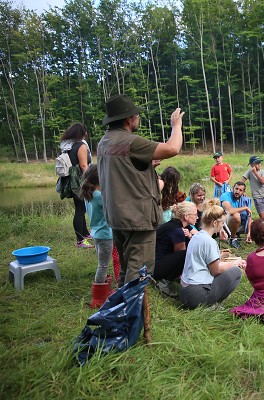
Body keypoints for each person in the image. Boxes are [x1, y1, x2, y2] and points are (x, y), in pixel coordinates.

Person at [97, 94, 184, 286]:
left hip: (117, 216)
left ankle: (121, 311)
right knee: (139, 273)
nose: (138, 118)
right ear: (129, 119)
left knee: (127, 269)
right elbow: (172, 148)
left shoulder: (104, 142)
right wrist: (176, 125)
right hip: (137, 219)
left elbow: (122, 173)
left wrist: (147, 165)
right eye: (136, 115)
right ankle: (129, 315)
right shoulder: (131, 141)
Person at [179, 201, 244, 309]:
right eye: (222, 223)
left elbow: (209, 263)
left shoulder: (196, 236)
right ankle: (211, 304)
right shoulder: (209, 242)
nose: (223, 225)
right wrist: (234, 263)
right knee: (236, 272)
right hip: (195, 295)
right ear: (214, 223)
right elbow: (216, 270)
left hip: (184, 291)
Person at [79, 164, 113, 308]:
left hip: (95, 233)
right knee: (103, 265)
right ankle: (98, 298)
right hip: (105, 234)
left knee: (102, 264)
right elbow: (111, 211)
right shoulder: (99, 195)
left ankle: (104, 291)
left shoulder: (89, 193)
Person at [153, 201, 199, 298]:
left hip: (154, 263)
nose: (197, 217)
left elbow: (199, 237)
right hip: (155, 269)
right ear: (186, 216)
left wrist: (191, 236)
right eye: (195, 214)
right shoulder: (177, 231)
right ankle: (164, 283)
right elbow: (180, 255)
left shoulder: (178, 225)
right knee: (186, 254)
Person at [60, 122, 93, 248]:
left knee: (81, 208)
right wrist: (90, 180)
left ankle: (85, 233)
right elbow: (84, 165)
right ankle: (80, 241)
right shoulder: (81, 146)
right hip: (79, 179)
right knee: (80, 210)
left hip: (71, 179)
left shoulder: (68, 146)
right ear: (82, 133)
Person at [220, 181, 253, 248]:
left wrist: (249, 232)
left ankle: (249, 237)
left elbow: (249, 216)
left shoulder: (244, 200)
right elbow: (230, 210)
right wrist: (245, 208)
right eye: (236, 189)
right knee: (236, 215)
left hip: (239, 222)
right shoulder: (225, 195)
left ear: (243, 192)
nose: (237, 191)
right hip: (224, 223)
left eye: (240, 190)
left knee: (254, 223)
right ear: (233, 188)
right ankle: (232, 239)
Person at [242, 155, 264, 219]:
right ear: (252, 165)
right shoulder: (249, 172)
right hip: (257, 196)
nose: (259, 164)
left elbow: (263, 181)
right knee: (262, 217)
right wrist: (243, 191)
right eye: (257, 163)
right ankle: (263, 226)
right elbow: (241, 182)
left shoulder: (263, 171)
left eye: (260, 162)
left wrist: (255, 173)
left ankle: (263, 226)